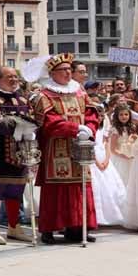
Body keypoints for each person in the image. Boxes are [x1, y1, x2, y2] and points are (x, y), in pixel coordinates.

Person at [25, 53, 100, 244]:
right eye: (63, 70)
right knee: (56, 190)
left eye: (69, 69)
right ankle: (49, 229)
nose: (68, 73)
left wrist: (89, 129)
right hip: (56, 149)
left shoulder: (80, 91)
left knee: (80, 186)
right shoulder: (45, 94)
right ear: (53, 73)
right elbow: (49, 122)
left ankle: (77, 227)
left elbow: (92, 113)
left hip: (79, 147)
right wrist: (75, 128)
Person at [0, 67, 36, 244]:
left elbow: (31, 116)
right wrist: (14, 125)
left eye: (16, 77)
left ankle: (14, 226)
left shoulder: (22, 97)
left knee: (17, 189)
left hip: (21, 149)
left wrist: (30, 126)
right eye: (9, 77)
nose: (14, 80)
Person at [91, 121, 126, 226]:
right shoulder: (90, 129)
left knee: (110, 186)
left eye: (101, 116)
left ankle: (111, 215)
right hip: (94, 158)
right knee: (97, 187)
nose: (99, 118)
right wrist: (97, 162)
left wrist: (106, 160)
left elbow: (107, 145)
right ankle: (97, 218)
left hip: (104, 157)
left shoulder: (104, 128)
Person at [107, 103, 138, 181]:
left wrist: (134, 138)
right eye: (121, 115)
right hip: (120, 157)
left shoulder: (132, 127)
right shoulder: (115, 129)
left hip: (131, 154)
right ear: (117, 116)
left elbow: (133, 140)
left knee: (133, 178)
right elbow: (113, 149)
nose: (124, 116)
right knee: (123, 178)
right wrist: (124, 156)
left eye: (126, 114)